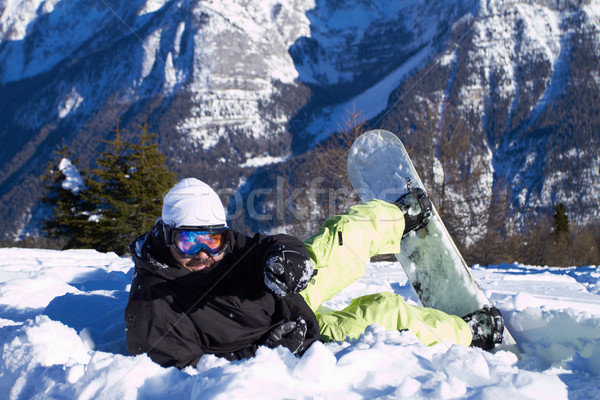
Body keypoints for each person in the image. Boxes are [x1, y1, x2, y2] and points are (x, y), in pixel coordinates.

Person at [125, 178, 504, 369]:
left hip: (287, 289)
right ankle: (471, 333)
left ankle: (403, 217)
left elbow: (261, 245)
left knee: (346, 233)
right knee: (387, 313)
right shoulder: (154, 313)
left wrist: (287, 258)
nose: (206, 254)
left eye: (215, 240)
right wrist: (268, 351)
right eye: (191, 243)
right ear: (166, 235)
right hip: (297, 336)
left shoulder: (221, 247)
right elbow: (195, 380)